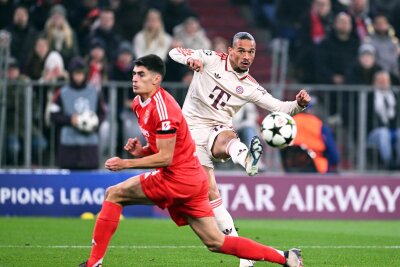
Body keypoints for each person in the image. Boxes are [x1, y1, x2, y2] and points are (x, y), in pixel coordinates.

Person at [79, 54, 303, 267]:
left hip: (177, 178)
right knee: (216, 242)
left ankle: (93, 263)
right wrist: (142, 152)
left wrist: (125, 164)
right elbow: (167, 149)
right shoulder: (140, 103)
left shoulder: (163, 109)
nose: (135, 79)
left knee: (114, 194)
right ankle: (286, 258)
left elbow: (166, 158)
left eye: (141, 74)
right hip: (192, 180)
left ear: (156, 79)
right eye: (134, 74)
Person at [169, 32, 310, 267]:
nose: (246, 56)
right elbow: (175, 52)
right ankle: (244, 255)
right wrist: (190, 60)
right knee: (211, 193)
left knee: (226, 137)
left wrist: (299, 105)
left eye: (251, 52)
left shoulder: (251, 86)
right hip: (189, 133)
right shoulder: (211, 58)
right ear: (230, 50)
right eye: (242, 51)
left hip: (217, 130)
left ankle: (247, 160)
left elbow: (280, 108)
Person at [50, 57, 106, 169]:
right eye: (76, 73)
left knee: (89, 180)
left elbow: (102, 113)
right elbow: (53, 115)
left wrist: (94, 124)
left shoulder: (94, 91)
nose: (79, 77)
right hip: (68, 146)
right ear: (71, 74)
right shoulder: (62, 93)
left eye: (81, 73)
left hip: (89, 146)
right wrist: (69, 119)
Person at [292, 97, 340, 173]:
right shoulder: (319, 125)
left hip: (292, 168)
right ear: (311, 109)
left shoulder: (290, 122)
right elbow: (334, 156)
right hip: (317, 168)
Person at [367, 71, 400, 169]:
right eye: (380, 81)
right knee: (383, 132)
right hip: (375, 131)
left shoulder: (395, 95)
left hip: (393, 129)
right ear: (374, 82)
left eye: (385, 80)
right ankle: (388, 162)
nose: (383, 83)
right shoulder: (369, 96)